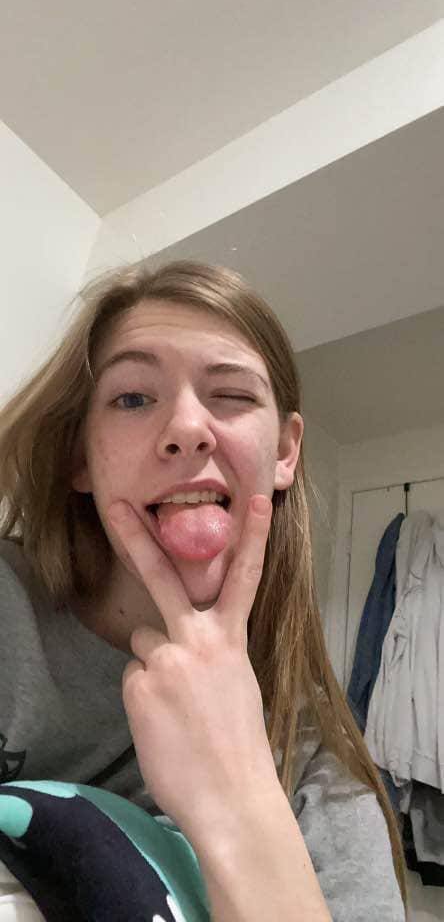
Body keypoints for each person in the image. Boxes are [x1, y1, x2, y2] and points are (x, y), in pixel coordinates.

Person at [0, 258, 408, 921]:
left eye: (234, 395)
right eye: (133, 398)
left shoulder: (318, 763)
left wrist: (238, 797)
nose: (188, 428)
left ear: (284, 453)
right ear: (80, 455)